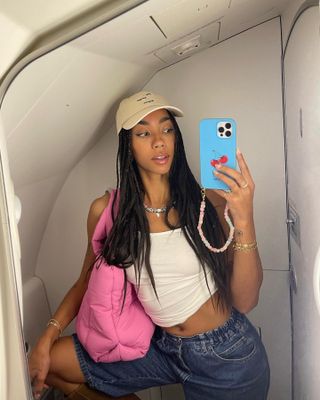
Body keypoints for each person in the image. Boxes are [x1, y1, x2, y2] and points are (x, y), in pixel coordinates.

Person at [28, 91, 270, 400]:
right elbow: (86, 280)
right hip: (161, 346)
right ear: (127, 144)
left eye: (167, 129)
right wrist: (47, 336)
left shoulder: (205, 201)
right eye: (144, 132)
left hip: (225, 353)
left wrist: (245, 220)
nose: (159, 140)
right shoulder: (107, 211)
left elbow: (246, 300)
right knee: (52, 364)